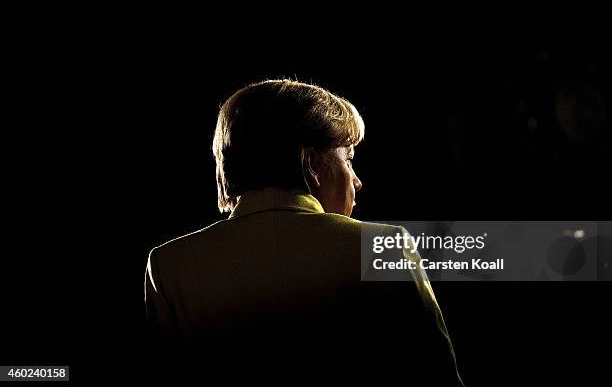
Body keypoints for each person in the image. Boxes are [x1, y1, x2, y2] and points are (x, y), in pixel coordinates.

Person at [144, 79, 464, 385]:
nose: (356, 181)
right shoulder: (383, 246)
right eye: (348, 159)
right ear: (310, 162)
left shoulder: (168, 265)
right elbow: (436, 375)